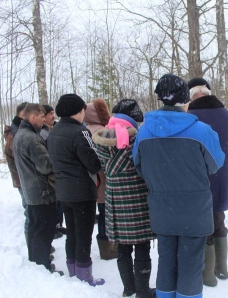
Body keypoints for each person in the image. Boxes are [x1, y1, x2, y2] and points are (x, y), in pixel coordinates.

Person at [132, 74, 225, 298]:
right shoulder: (201, 131)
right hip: (194, 211)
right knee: (192, 266)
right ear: (186, 100)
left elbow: (139, 167)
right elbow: (216, 164)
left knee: (166, 263)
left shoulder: (144, 131)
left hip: (162, 209)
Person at [93, 99, 156, 298]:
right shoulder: (135, 141)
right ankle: (144, 291)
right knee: (142, 245)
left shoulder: (102, 140)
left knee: (123, 247)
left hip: (115, 199)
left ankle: (129, 288)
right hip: (137, 199)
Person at [47, 94, 105, 286]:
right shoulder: (80, 133)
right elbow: (93, 163)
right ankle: (84, 275)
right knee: (84, 235)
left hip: (63, 191)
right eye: (82, 111)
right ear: (77, 111)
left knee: (72, 232)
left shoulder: (54, 131)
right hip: (81, 192)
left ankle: (73, 269)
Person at [188, 78, 228, 287]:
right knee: (219, 220)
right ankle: (221, 268)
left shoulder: (191, 117)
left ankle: (207, 275)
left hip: (199, 176)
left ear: (192, 95)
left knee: (203, 224)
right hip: (221, 173)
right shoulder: (224, 114)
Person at [12, 103, 59, 274]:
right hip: (41, 193)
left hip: (32, 192)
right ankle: (42, 267)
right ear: (32, 117)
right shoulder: (32, 138)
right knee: (43, 232)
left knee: (35, 230)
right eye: (41, 117)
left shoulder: (20, 134)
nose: (44, 120)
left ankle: (36, 264)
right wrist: (57, 156)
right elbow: (46, 165)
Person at [83, 98, 118, 260]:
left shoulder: (83, 130)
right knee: (106, 214)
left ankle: (102, 246)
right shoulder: (103, 131)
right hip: (104, 179)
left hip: (90, 180)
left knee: (99, 213)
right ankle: (108, 248)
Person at [4, 102, 29, 243]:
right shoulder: (15, 133)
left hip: (26, 179)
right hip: (23, 179)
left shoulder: (19, 129)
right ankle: (34, 248)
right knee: (30, 213)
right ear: (22, 115)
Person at [39, 104, 65, 240]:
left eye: (52, 113)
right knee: (53, 204)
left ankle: (58, 224)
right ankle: (54, 226)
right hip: (51, 173)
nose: (52, 116)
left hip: (57, 172)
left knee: (58, 202)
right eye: (49, 114)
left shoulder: (55, 128)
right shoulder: (42, 133)